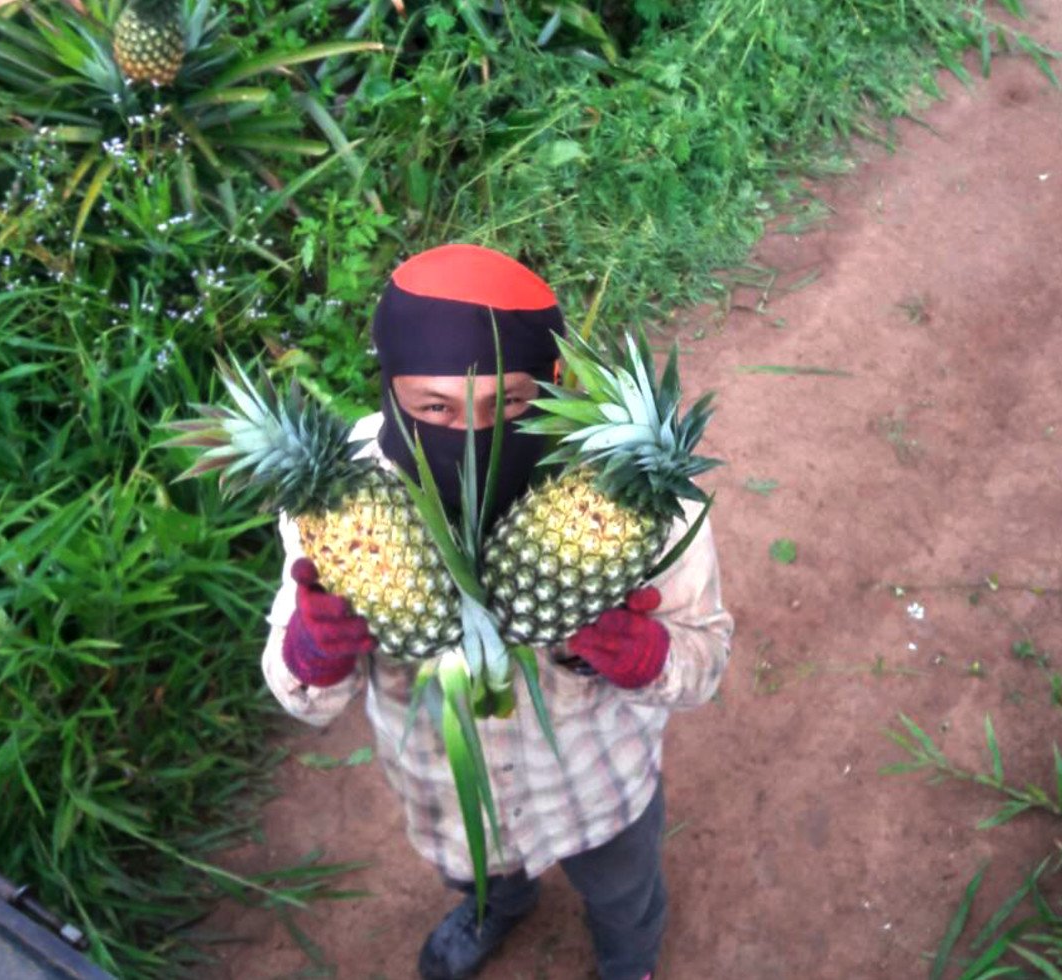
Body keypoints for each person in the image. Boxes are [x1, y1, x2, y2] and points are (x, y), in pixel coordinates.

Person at [261, 244, 733, 980]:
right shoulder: (339, 495)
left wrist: (642, 652)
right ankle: (499, 905)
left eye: (507, 405)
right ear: (390, 391)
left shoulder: (634, 500)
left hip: (597, 785)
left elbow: (705, 660)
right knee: (477, 873)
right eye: (434, 408)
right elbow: (304, 700)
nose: (472, 436)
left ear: (554, 384)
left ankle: (629, 956)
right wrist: (312, 650)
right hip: (442, 788)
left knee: (622, 888)